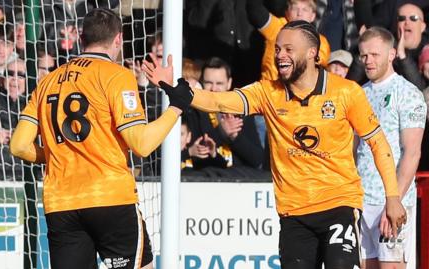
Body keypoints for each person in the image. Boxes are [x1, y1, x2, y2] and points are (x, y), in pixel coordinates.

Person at [143, 20, 407, 268]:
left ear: (312, 53)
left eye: (289, 49)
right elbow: (219, 101)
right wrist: (174, 88)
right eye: (278, 49)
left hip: (338, 205)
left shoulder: (346, 92)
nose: (280, 55)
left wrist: (392, 197)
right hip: (294, 214)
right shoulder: (267, 92)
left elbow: (378, 143)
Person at [9, 8, 192, 269]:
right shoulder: (116, 76)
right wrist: (176, 107)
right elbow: (141, 144)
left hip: (61, 204)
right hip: (109, 198)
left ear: (81, 39)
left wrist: (52, 154)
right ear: (119, 39)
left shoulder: (48, 81)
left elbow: (17, 146)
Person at [356, 27, 427, 269]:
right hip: (362, 199)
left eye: (375, 54)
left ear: (392, 54)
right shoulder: (358, 94)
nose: (368, 61)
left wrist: (393, 201)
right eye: (364, 55)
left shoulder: (407, 94)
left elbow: (412, 151)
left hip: (391, 199)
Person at [246, 0, 331, 80]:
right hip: (271, 90)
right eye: (295, 8)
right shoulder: (276, 28)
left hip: (303, 93)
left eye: (305, 9)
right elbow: (254, 9)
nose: (299, 13)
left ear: (313, 16)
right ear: (287, 12)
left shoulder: (321, 42)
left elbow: (319, 69)